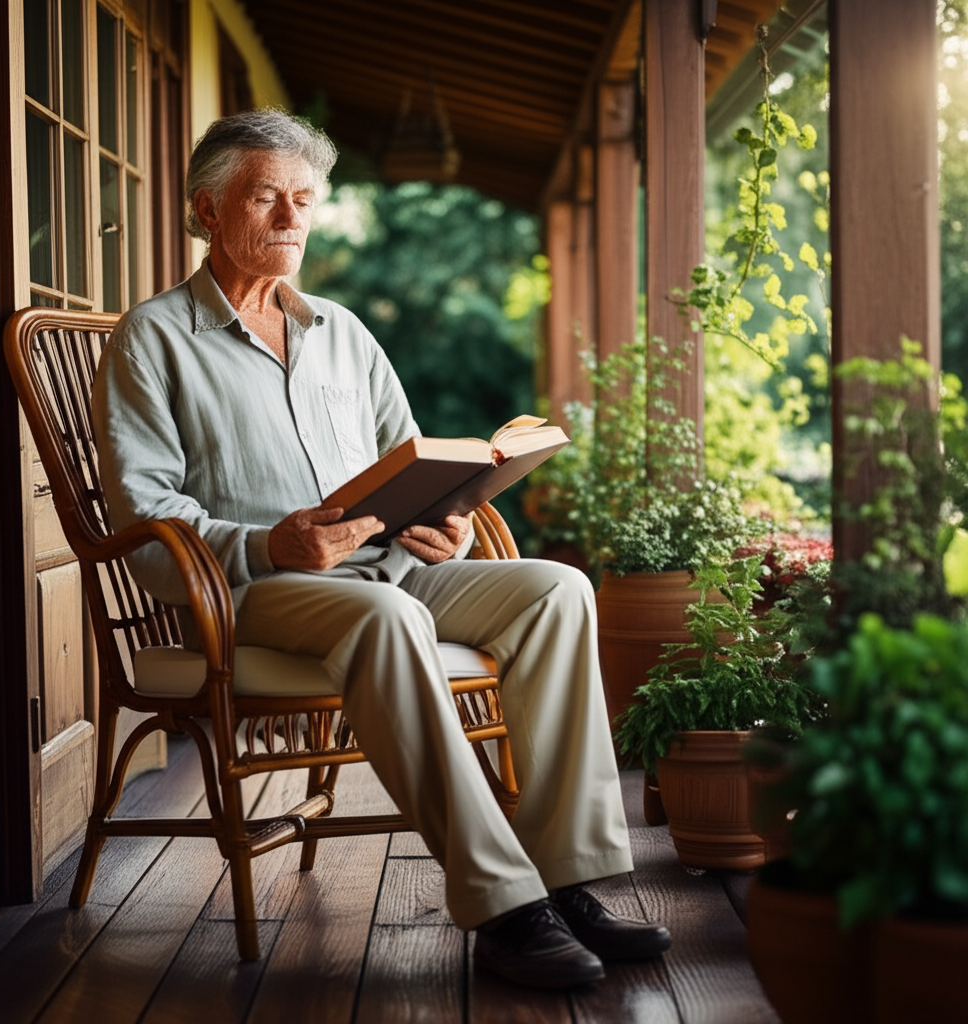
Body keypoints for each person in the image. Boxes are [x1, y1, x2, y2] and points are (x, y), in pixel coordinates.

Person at [92, 109, 671, 989]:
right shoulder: (156, 338)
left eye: (304, 200)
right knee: (383, 612)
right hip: (250, 594)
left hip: (388, 573)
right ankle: (505, 907)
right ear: (209, 211)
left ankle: (569, 879)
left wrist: (451, 518)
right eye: (266, 198)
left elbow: (412, 463)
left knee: (557, 589)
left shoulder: (342, 332)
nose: (291, 219)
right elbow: (144, 519)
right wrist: (266, 544)